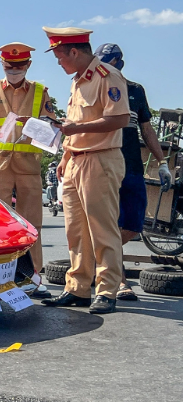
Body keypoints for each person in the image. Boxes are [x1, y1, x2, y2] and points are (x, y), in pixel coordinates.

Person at [40, 27, 130, 314]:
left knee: (102, 229)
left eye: (59, 57)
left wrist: (77, 129)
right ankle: (78, 287)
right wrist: (66, 151)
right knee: (76, 230)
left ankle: (106, 290)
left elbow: (120, 118)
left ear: (74, 52)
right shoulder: (78, 81)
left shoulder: (107, 76)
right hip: (76, 159)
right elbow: (76, 123)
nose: (59, 63)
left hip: (100, 159)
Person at [0, 43, 56, 298]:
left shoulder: (41, 92)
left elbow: (52, 128)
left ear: (28, 65)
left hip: (28, 167)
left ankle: (33, 278)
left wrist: (40, 126)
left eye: (19, 67)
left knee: (32, 224)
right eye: (9, 67)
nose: (14, 71)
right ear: (2, 65)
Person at [94, 43, 172, 300]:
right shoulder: (96, 88)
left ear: (118, 61)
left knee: (133, 226)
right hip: (105, 165)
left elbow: (147, 130)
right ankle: (119, 281)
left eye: (106, 61)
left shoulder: (136, 91)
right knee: (111, 223)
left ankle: (103, 264)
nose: (101, 66)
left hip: (132, 168)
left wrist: (162, 163)